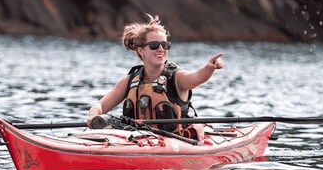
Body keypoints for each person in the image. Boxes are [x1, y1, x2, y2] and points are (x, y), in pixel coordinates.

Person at [86, 14, 224, 132]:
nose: (161, 49)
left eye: (165, 45)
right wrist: (93, 116)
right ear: (141, 51)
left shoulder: (177, 78)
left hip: (175, 142)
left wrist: (210, 67)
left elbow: (196, 77)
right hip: (136, 139)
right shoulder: (129, 81)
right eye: (154, 45)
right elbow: (100, 106)